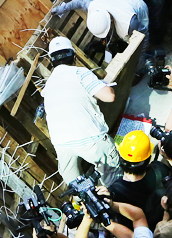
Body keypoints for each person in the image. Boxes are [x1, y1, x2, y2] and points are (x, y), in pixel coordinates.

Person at [41, 37, 118, 183]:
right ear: (74, 56)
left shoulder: (47, 86)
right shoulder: (79, 73)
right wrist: (103, 86)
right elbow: (109, 96)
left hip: (62, 146)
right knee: (114, 181)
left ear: (51, 61)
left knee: (79, 190)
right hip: (90, 139)